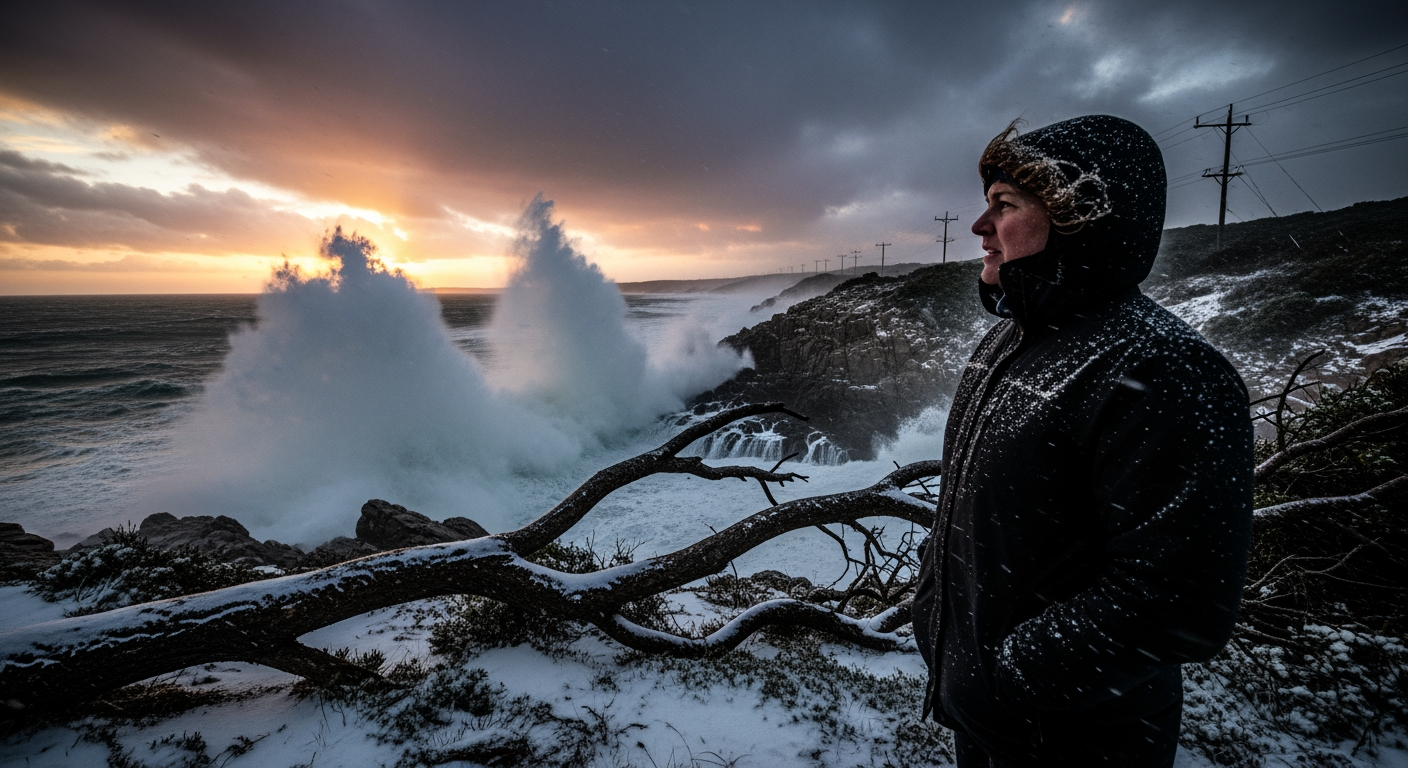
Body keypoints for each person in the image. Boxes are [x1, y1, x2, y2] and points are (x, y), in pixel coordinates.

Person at [911, 115, 1254, 766]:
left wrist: (1010, 673)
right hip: (990, 723)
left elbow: (1179, 601)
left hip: (1072, 740)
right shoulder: (1009, 340)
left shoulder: (1163, 368)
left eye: (1004, 206)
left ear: (1080, 216)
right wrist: (936, 607)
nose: (981, 228)